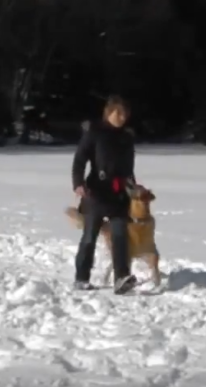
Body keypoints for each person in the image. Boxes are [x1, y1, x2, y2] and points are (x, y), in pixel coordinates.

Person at [71, 94, 139, 294]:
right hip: (96, 193)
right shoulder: (94, 132)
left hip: (119, 195)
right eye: (117, 112)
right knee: (89, 237)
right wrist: (78, 183)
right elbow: (79, 159)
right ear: (108, 113)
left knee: (120, 236)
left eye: (124, 113)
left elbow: (128, 167)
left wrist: (132, 186)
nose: (121, 116)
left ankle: (121, 278)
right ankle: (81, 277)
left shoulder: (127, 137)